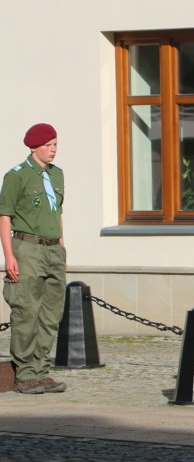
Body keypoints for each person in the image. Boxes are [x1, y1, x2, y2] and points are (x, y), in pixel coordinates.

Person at [0, 123, 67, 395]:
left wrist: (62, 248)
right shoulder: (16, 176)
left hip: (53, 250)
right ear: (34, 147)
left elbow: (56, 213)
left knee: (51, 314)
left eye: (55, 145)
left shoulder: (57, 175)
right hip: (26, 248)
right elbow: (5, 217)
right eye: (48, 145)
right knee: (27, 312)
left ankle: (41, 370)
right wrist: (8, 255)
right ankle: (25, 374)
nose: (53, 150)